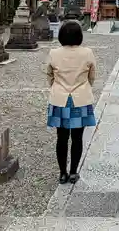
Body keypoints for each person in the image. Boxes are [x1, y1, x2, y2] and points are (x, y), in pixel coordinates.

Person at [46, 20, 97, 184]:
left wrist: (57, 87)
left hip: (60, 98)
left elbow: (49, 75)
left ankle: (62, 173)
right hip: (80, 98)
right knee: (77, 137)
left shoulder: (54, 53)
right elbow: (92, 76)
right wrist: (85, 87)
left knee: (61, 138)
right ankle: (74, 172)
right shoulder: (87, 53)